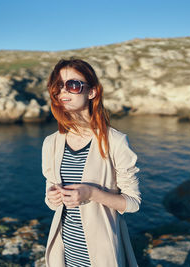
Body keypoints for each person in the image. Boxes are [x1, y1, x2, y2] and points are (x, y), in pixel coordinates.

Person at [42, 58, 141, 267]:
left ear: (92, 92)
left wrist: (91, 193)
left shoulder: (115, 141)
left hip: (101, 254)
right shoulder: (51, 143)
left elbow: (132, 203)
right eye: (58, 86)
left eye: (73, 85)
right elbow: (51, 204)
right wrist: (53, 196)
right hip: (64, 254)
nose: (64, 92)